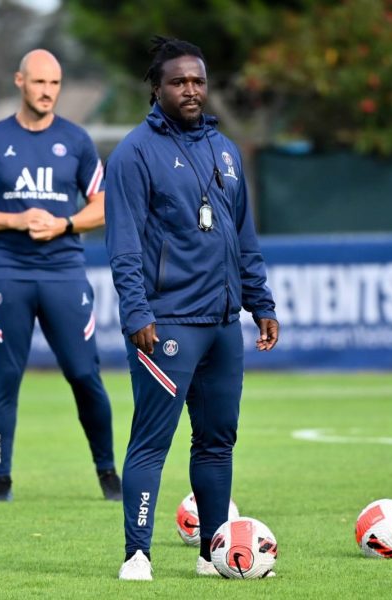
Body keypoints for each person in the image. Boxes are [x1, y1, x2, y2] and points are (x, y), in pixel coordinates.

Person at [105, 37, 279, 581]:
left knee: (217, 442)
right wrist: (137, 314)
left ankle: (211, 553)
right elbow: (124, 244)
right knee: (151, 442)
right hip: (168, 323)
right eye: (179, 81)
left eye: (198, 81)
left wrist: (260, 301)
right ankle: (137, 554)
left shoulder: (225, 150)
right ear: (156, 88)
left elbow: (243, 237)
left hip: (224, 325)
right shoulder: (134, 152)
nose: (191, 90)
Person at [0, 49, 121, 502]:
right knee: (4, 381)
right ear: (19, 81)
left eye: (54, 84)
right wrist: (16, 219)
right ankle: (0, 481)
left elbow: (103, 205)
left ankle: (108, 474)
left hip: (64, 272)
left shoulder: (77, 140)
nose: (47, 92)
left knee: (85, 375)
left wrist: (63, 223)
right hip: (8, 271)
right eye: (39, 83)